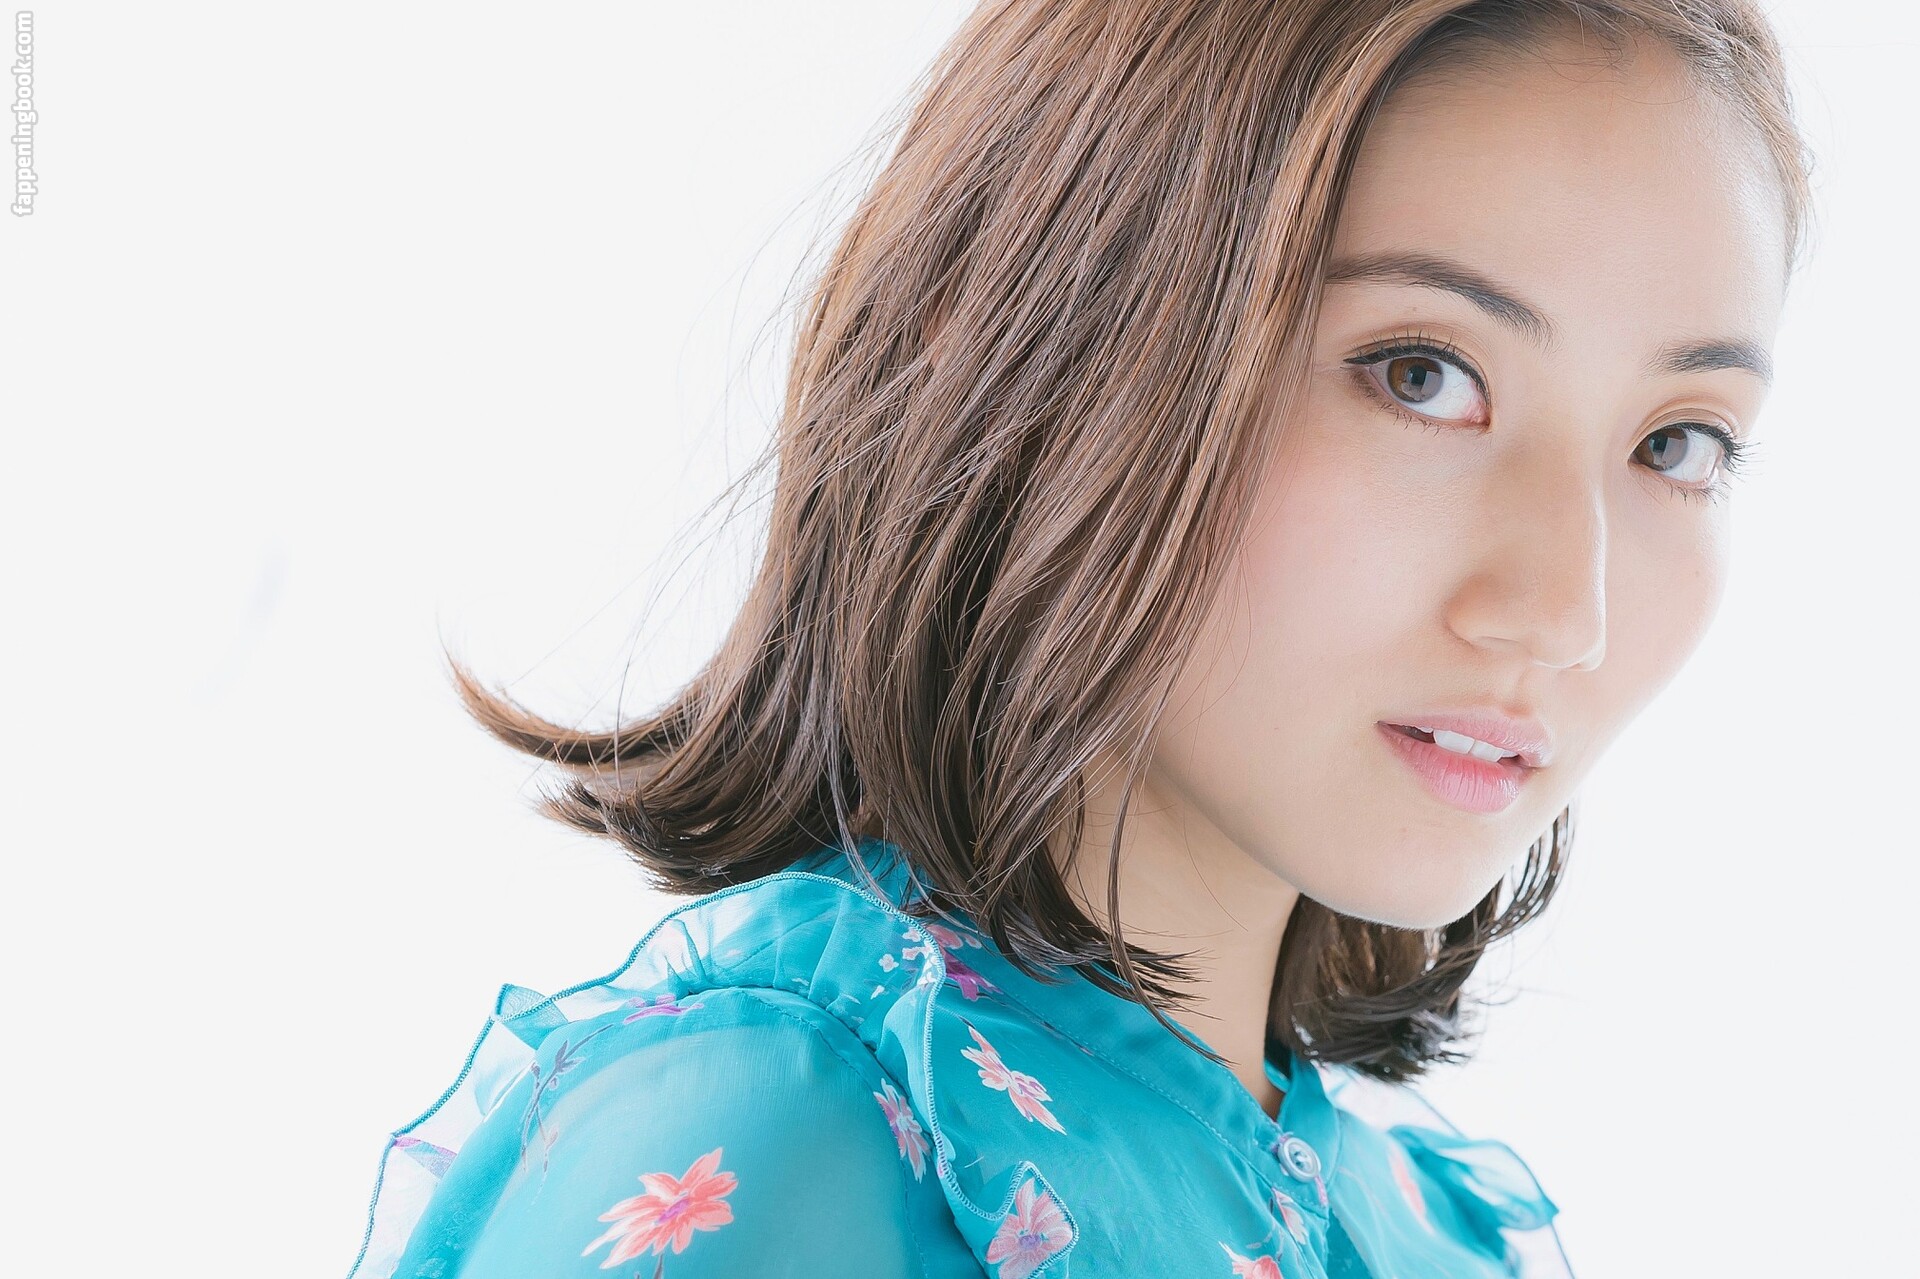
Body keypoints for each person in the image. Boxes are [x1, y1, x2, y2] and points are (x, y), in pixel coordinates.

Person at [344, 2, 1816, 1276]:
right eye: (1421, 375)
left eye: (1678, 444)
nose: (1565, 610)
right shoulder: (790, 1146)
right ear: (1048, 346)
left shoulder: (1435, 1237)